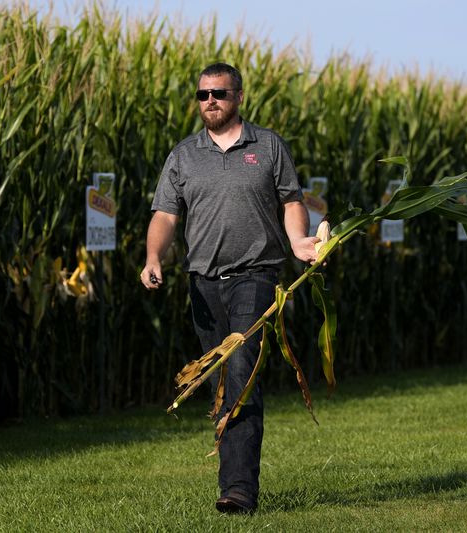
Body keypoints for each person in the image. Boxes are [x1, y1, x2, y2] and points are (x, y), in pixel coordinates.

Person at [140, 62, 318, 514]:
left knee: (241, 373)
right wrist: (154, 257)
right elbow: (164, 216)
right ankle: (234, 478)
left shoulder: (268, 146)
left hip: (255, 276)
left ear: (238, 96)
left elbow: (291, 202)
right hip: (202, 283)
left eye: (218, 93)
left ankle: (238, 489)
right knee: (221, 381)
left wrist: (299, 240)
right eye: (203, 95)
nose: (210, 101)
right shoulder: (184, 155)